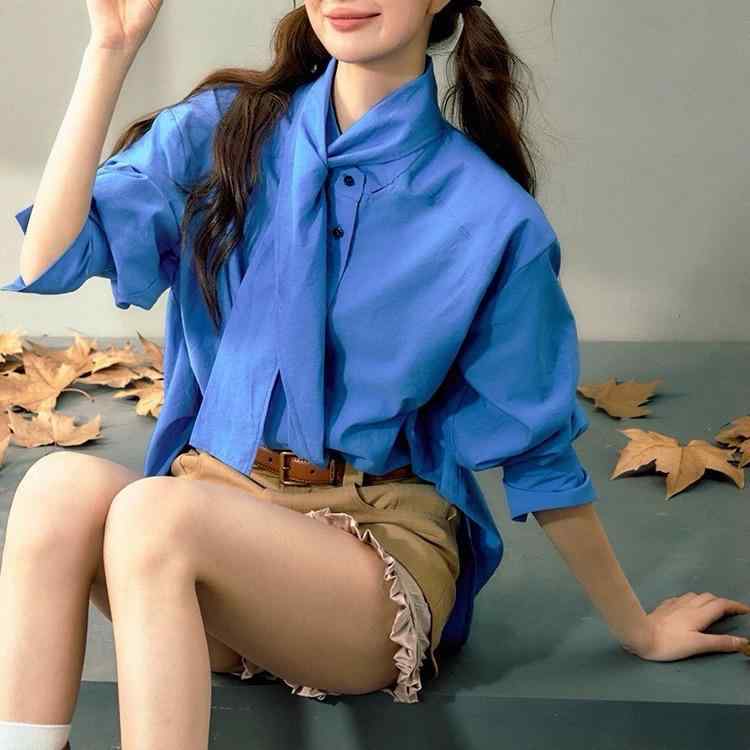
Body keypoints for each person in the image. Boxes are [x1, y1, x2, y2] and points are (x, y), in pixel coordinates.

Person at [1, 1, 749, 748]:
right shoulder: (228, 130)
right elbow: (52, 258)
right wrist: (110, 52)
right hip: (210, 526)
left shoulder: (489, 215)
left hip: (364, 553)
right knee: (56, 489)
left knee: (153, 514)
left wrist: (640, 629)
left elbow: (539, 457)